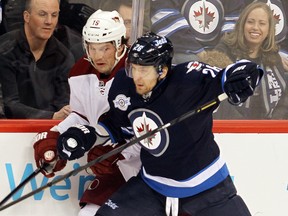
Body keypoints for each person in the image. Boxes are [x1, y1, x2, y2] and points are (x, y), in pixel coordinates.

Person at [56, 32, 264, 216]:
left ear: (162, 71)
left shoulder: (189, 80)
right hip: (153, 187)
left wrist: (246, 74)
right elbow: (116, 126)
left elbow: (231, 74)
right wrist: (86, 135)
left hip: (207, 187)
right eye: (133, 68)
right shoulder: (124, 85)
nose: (136, 76)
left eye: (144, 70)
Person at [32, 9, 141, 216]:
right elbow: (82, 116)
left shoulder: (139, 72)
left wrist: (122, 151)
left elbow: (154, 125)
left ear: (119, 45)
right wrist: (56, 135)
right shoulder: (80, 71)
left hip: (151, 167)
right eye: (92, 48)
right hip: (118, 170)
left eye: (105, 48)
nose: (97, 56)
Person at [212, 2, 288, 119]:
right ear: (242, 24)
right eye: (250, 22)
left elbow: (283, 102)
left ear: (269, 30)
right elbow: (219, 97)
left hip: (269, 130)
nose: (255, 27)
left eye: (262, 23)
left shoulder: (274, 58)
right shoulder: (224, 51)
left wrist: (272, 125)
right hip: (231, 128)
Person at [0, 0, 74, 119]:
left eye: (54, 15)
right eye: (42, 14)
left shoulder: (64, 56)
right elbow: (9, 105)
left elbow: (63, 103)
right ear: (26, 17)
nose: (49, 21)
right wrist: (51, 116)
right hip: (8, 130)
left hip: (48, 129)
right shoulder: (5, 49)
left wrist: (59, 114)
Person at [150, 0, 246, 64]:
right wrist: (200, 53)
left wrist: (219, 54)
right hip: (182, 53)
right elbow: (163, 15)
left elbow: (235, 21)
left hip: (220, 54)